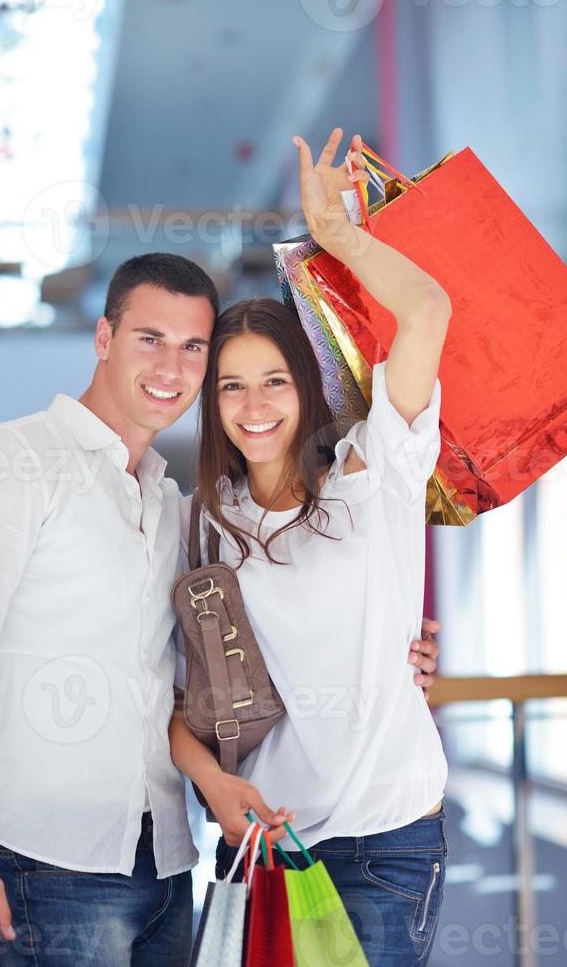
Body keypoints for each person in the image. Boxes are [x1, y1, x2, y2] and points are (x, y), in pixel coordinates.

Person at [0, 259, 440, 962]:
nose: (173, 365)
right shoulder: (19, 467)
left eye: (193, 347)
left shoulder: (172, 508)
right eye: (150, 338)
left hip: (168, 867)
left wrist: (399, 644)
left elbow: (170, 682)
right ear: (103, 336)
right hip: (43, 859)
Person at [168, 129, 452, 966]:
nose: (253, 406)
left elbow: (428, 310)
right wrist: (215, 788)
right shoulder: (202, 521)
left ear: (306, 386)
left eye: (274, 381)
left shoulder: (375, 476)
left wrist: (338, 237)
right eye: (231, 386)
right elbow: (175, 703)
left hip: (382, 845)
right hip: (258, 849)